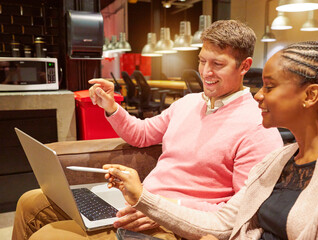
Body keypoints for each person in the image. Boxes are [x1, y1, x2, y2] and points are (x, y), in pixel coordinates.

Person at [12, 20, 283, 240]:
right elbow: (141, 134)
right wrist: (111, 107)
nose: (206, 72)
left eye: (217, 64)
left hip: (172, 225)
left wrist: (162, 209)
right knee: (29, 202)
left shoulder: (258, 126)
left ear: (245, 66)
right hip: (138, 202)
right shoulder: (188, 103)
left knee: (48, 236)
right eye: (202, 61)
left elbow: (243, 213)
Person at [105, 22, 318, 240]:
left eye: (269, 87)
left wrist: (152, 205)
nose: (258, 95)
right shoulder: (279, 160)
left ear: (311, 95)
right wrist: (144, 199)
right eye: (202, 61)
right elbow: (230, 222)